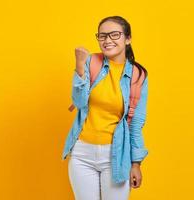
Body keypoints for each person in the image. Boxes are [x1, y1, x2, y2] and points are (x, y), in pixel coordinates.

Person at [62, 15, 149, 200]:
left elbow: (136, 123)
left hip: (116, 155)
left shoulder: (137, 75)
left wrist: (136, 163)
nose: (107, 40)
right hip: (82, 154)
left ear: (128, 39)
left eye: (114, 35)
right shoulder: (90, 61)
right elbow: (79, 102)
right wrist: (79, 66)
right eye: (102, 36)